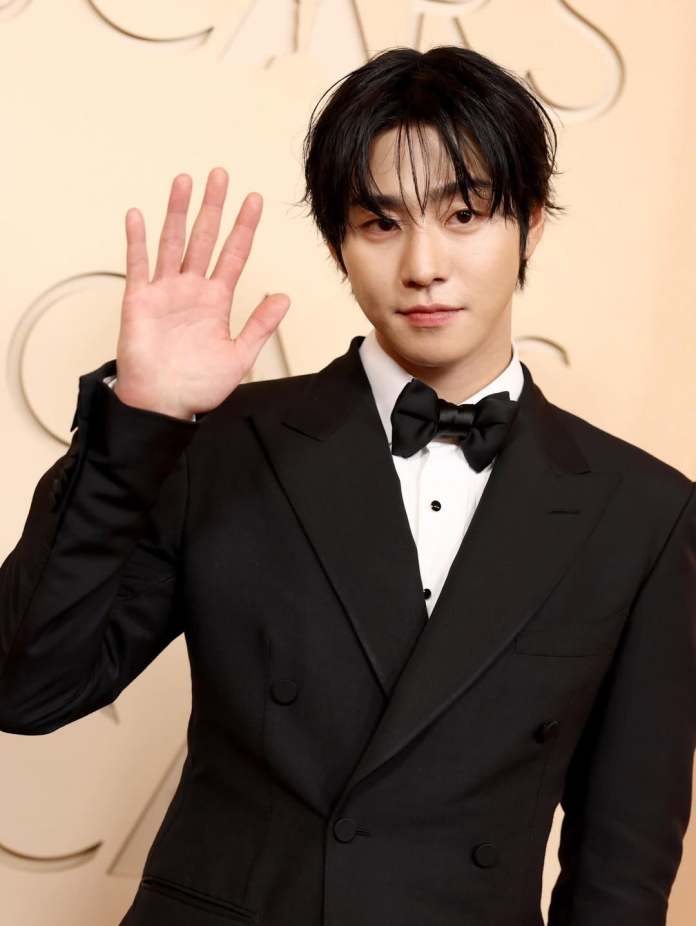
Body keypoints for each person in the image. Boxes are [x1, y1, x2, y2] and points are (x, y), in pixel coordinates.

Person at [0, 45, 694, 926]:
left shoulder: (642, 511)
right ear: (339, 242)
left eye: (467, 213)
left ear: (529, 223)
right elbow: (27, 690)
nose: (424, 265)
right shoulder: (226, 444)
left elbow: (621, 871)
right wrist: (138, 424)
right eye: (380, 223)